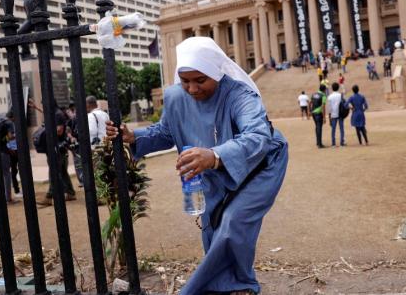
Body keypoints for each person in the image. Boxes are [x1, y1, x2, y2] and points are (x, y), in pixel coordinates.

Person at [106, 37, 288, 295]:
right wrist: (133, 137)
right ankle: (229, 284)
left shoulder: (238, 95)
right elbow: (166, 132)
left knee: (234, 221)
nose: (192, 89)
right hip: (210, 168)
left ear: (216, 72)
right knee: (213, 223)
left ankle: (235, 285)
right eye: (185, 80)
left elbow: (259, 137)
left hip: (262, 163)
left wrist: (214, 155)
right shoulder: (175, 97)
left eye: (200, 80)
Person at [37, 106, 77, 206]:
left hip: (57, 148)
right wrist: (36, 107)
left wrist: (46, 131)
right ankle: (71, 193)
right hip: (59, 148)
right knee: (63, 172)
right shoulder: (55, 113)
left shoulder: (57, 114)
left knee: (54, 172)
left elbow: (59, 130)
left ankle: (49, 197)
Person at [0, 111, 16, 204]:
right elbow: (10, 136)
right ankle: (8, 198)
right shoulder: (9, 123)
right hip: (2, 152)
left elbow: (1, 140)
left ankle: (2, 197)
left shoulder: (0, 122)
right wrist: (16, 135)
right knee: (7, 174)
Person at [327, 82, 345, 147]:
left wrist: (329, 117)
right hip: (340, 114)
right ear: (338, 88)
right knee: (341, 128)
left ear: (332, 88)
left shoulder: (329, 97)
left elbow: (329, 108)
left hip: (333, 114)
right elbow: (344, 104)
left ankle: (333, 143)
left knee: (333, 129)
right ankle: (342, 142)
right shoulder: (340, 95)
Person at [310, 84, 327, 148]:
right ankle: (320, 144)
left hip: (313, 113)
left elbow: (310, 103)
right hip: (319, 113)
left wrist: (310, 111)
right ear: (324, 90)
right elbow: (323, 107)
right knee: (319, 128)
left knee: (317, 127)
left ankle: (318, 142)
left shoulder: (314, 94)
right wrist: (324, 117)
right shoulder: (323, 96)